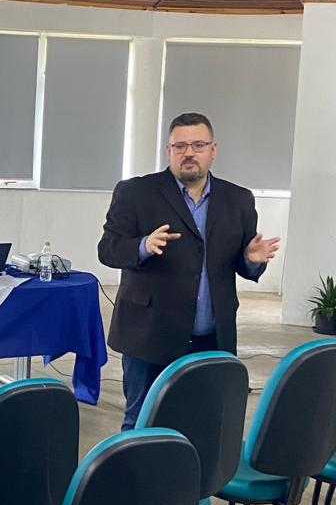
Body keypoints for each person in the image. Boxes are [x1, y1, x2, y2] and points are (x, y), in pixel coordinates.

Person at [98, 111, 279, 432]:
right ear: (169, 151)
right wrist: (142, 245)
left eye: (197, 144)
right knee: (142, 423)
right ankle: (138, 481)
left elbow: (242, 264)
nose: (189, 153)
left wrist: (252, 258)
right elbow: (108, 249)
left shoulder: (238, 200)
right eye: (180, 146)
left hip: (212, 338)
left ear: (213, 149)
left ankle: (195, 483)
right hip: (149, 336)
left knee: (205, 424)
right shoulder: (136, 193)